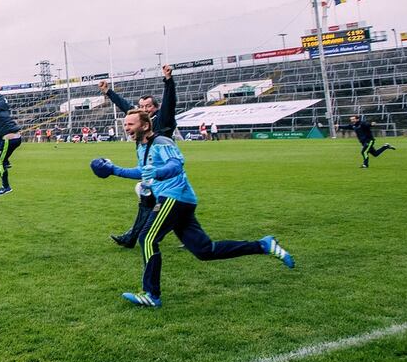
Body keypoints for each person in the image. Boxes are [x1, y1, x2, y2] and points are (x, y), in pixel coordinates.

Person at [89, 109, 294, 308]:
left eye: (130, 124)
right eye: (125, 125)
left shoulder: (162, 142)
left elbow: (176, 164)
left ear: (145, 125)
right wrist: (114, 170)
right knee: (205, 251)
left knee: (147, 238)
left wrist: (159, 172)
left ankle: (151, 294)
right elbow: (143, 172)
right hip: (181, 200)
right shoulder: (141, 147)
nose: (126, 128)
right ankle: (263, 245)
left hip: (173, 197)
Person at [99, 65, 177, 248]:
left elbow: (170, 102)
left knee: (158, 204)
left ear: (155, 108)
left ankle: (134, 237)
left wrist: (168, 80)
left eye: (148, 106)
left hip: (163, 172)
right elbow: (125, 106)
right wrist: (108, 92)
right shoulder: (140, 122)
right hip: (151, 173)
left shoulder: (163, 120)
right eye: (141, 107)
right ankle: (132, 238)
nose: (144, 109)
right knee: (147, 202)